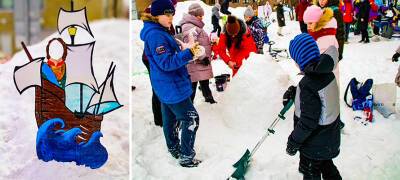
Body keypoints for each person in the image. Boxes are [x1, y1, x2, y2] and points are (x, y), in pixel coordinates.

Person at [140, 0, 205, 167]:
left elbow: (165, 56)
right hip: (172, 86)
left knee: (169, 119)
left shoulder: (157, 30)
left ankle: (174, 148)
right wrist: (189, 53)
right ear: (155, 15)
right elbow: (166, 63)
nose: (170, 17)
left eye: (172, 14)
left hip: (165, 86)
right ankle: (186, 156)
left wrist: (181, 46)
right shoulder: (156, 35)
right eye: (166, 14)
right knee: (191, 119)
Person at [284, 33, 342, 180]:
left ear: (300, 60)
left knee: (310, 171)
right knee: (326, 165)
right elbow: (319, 98)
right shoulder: (327, 73)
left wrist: (294, 141)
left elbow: (308, 121)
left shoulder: (308, 85)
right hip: (328, 139)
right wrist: (296, 92)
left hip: (313, 143)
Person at [180, 3, 216, 104]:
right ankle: (188, 106)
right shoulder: (189, 27)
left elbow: (200, 41)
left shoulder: (194, 26)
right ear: (193, 15)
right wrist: (202, 57)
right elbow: (192, 45)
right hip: (196, 62)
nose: (201, 18)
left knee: (204, 82)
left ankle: (209, 99)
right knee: (193, 85)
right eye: (200, 16)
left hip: (199, 63)